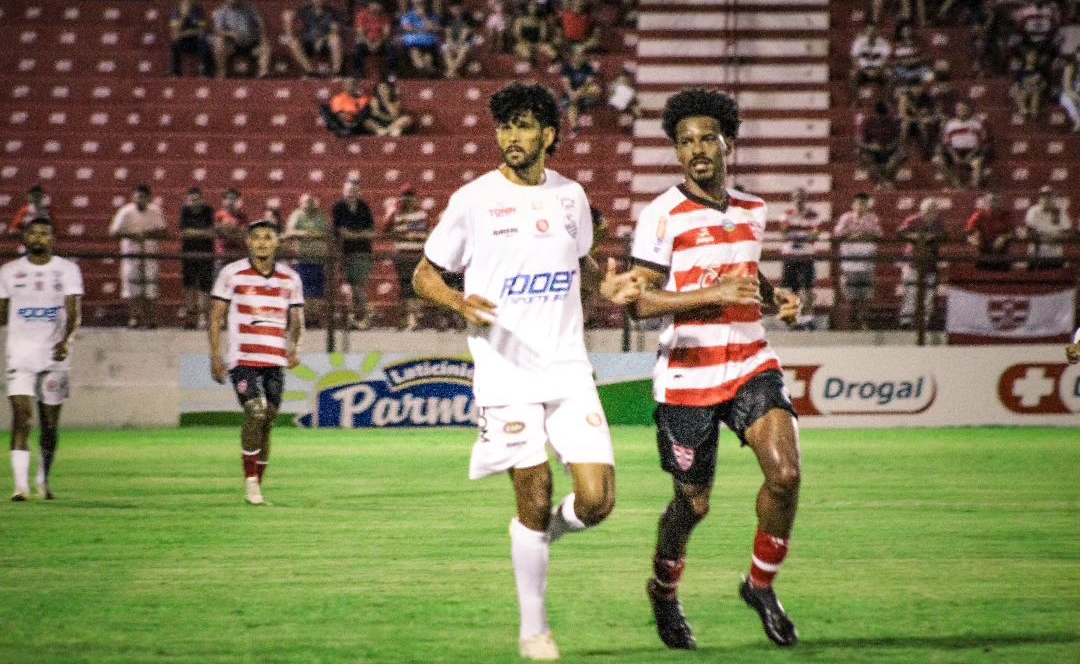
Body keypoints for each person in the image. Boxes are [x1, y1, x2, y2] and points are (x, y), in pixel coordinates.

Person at [412, 82, 616, 661]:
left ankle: (536, 537)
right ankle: (535, 629)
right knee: (535, 489)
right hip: (505, 375)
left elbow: (583, 260)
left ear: (549, 135)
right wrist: (456, 302)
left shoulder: (572, 196)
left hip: (569, 368)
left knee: (596, 502)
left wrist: (608, 282)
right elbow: (423, 275)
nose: (511, 138)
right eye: (505, 127)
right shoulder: (473, 200)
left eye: (524, 126)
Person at [600, 87, 802, 650]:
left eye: (706, 137)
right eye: (685, 141)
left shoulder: (754, 210)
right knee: (693, 504)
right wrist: (709, 293)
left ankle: (760, 585)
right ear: (677, 152)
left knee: (785, 476)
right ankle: (664, 591)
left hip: (750, 361)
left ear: (727, 142)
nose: (696, 149)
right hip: (688, 374)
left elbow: (746, 272)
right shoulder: (662, 216)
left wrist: (775, 296)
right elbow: (641, 302)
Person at [210, 218, 303, 505]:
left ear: (278, 242)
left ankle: (257, 486)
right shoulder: (232, 274)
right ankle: (251, 484)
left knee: (268, 421)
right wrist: (215, 357)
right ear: (248, 242)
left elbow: (297, 318)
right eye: (257, 237)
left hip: (274, 359)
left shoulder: (290, 278)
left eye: (268, 237)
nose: (262, 242)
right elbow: (216, 318)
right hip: (244, 359)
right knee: (256, 411)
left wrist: (295, 346)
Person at [0, 218, 82, 501]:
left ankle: (43, 477)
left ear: (53, 239)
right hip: (20, 355)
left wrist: (66, 340)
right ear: (25, 237)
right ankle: (20, 486)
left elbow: (74, 313)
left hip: (54, 356)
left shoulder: (67, 270)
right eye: (33, 233)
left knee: (49, 425)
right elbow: (1, 314)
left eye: (44, 234)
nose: (39, 238)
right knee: (22, 417)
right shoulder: (9, 272)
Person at [109, 184, 167, 329]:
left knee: (151, 287)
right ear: (133, 197)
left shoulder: (155, 211)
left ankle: (151, 319)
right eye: (137, 197)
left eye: (143, 197)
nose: (140, 200)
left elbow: (164, 232)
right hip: (130, 254)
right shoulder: (125, 212)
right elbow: (114, 232)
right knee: (132, 287)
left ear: (149, 198)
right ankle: (134, 318)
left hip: (150, 253)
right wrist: (132, 235)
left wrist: (146, 235)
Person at [833, 192, 883, 331]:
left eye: (864, 204)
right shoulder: (846, 218)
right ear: (853, 205)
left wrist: (860, 235)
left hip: (867, 261)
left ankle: (863, 321)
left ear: (868, 205)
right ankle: (851, 322)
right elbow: (838, 233)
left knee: (865, 293)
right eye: (859, 203)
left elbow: (878, 234)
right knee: (850, 293)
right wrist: (857, 235)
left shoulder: (872, 218)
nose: (861, 207)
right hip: (849, 261)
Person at [382, 184, 429, 330]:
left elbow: (422, 233)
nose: (407, 200)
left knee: (414, 288)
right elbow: (385, 229)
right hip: (402, 255)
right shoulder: (396, 213)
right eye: (405, 197)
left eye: (410, 197)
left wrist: (408, 234)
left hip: (417, 255)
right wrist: (392, 211)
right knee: (405, 287)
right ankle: (407, 319)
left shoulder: (421, 214)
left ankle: (413, 319)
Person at [331, 178, 376, 329]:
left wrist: (353, 234)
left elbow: (370, 232)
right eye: (349, 190)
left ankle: (361, 318)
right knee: (349, 286)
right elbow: (341, 232)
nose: (352, 193)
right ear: (344, 191)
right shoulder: (339, 208)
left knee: (358, 286)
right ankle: (355, 317)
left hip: (363, 252)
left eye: (355, 190)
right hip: (345, 253)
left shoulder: (364, 207)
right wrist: (359, 234)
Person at [898, 197, 947, 329]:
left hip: (930, 262)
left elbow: (944, 235)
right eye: (927, 211)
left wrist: (932, 237)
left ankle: (925, 323)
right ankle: (906, 323)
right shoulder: (913, 220)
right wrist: (916, 237)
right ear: (922, 211)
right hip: (912, 261)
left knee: (929, 294)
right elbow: (901, 233)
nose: (930, 214)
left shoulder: (939, 223)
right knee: (910, 292)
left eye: (933, 211)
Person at [284, 194, 331, 328]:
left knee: (317, 291)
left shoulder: (321, 215)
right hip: (302, 260)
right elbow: (290, 232)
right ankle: (306, 319)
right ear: (300, 203)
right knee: (304, 290)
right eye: (305, 202)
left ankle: (315, 319)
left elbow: (328, 232)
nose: (308, 204)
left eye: (311, 202)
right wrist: (304, 234)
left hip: (318, 259)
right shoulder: (297, 215)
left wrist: (314, 235)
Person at [779, 187, 822, 330]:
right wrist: (804, 235)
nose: (799, 200)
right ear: (793, 199)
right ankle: (793, 318)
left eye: (802, 197)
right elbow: (784, 233)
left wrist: (795, 235)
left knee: (808, 288)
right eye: (797, 197)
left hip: (806, 255)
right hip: (790, 256)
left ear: (806, 199)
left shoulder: (813, 215)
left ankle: (809, 319)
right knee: (791, 289)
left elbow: (815, 235)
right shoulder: (786, 214)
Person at [179, 187, 217, 329]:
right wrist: (202, 233)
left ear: (202, 199)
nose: (195, 202)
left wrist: (193, 233)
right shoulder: (185, 212)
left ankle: (203, 318)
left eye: (197, 199)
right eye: (192, 200)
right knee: (189, 286)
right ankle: (190, 318)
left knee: (204, 287)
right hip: (189, 254)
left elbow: (212, 232)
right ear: (187, 200)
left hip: (206, 254)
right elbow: (184, 232)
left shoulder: (208, 211)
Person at [932, 101, 989, 190]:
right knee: (937, 160)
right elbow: (947, 144)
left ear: (969, 110)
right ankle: (956, 184)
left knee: (977, 163)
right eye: (959, 109)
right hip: (955, 151)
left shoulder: (977, 124)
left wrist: (970, 155)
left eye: (964, 109)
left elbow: (981, 144)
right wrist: (954, 156)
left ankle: (974, 188)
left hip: (972, 151)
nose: (962, 111)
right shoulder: (950, 124)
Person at [282, 0, 343, 78]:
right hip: (308, 42)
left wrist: (322, 39)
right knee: (293, 43)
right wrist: (289, 34)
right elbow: (288, 14)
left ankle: (336, 73)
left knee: (335, 39)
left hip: (325, 43)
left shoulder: (332, 11)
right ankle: (311, 73)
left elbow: (334, 31)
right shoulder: (305, 9)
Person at [211, 0, 270, 79]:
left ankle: (263, 73)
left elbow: (260, 24)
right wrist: (231, 34)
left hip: (250, 44)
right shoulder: (221, 11)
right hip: (232, 46)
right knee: (219, 42)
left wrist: (262, 36)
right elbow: (218, 30)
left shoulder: (249, 8)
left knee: (265, 44)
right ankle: (221, 72)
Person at [1024, 185, 1072, 270]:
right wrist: (1049, 237)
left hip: (1055, 255)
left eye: (1049, 196)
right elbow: (1030, 232)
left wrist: (1056, 237)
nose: (1046, 199)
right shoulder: (1033, 211)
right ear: (1039, 198)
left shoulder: (1060, 212)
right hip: (1036, 256)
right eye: (1043, 196)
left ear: (1053, 198)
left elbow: (1067, 233)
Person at [965, 192, 1015, 271]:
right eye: (989, 201)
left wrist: (1004, 237)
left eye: (995, 200)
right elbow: (967, 233)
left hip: (1001, 252)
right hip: (984, 251)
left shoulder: (1005, 215)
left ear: (999, 202)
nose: (992, 203)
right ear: (985, 202)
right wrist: (972, 239)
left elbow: (1013, 233)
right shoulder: (978, 215)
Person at [560, 46, 603, 135]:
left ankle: (577, 99)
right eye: (579, 55)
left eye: (582, 55)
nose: (581, 57)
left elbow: (588, 82)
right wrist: (573, 93)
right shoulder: (566, 68)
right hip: (571, 95)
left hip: (583, 93)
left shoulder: (588, 67)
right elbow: (566, 85)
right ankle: (575, 128)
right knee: (572, 104)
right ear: (573, 57)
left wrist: (579, 92)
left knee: (596, 89)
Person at [170, 0, 214, 77]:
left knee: (203, 41)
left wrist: (185, 33)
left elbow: (202, 29)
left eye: (189, 3)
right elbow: (175, 31)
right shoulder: (176, 14)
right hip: (184, 42)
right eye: (185, 3)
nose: (187, 4)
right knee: (175, 42)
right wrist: (183, 16)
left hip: (196, 41)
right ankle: (175, 73)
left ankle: (206, 72)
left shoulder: (198, 13)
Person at [400, 0, 442, 76]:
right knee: (418, 59)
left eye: (422, 3)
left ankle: (427, 77)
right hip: (413, 43)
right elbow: (408, 28)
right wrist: (425, 30)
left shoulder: (432, 16)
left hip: (429, 44)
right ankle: (423, 75)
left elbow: (435, 28)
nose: (420, 4)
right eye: (417, 3)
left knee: (428, 62)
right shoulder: (408, 15)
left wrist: (423, 17)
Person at [353, 0, 392, 78]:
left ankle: (392, 72)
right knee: (359, 47)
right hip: (366, 41)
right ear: (369, 5)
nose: (376, 7)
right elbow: (360, 32)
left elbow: (387, 32)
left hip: (380, 41)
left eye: (378, 5)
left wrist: (378, 42)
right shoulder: (362, 15)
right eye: (374, 4)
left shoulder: (385, 17)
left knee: (391, 47)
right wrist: (369, 43)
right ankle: (358, 72)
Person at [441, 2, 476, 79]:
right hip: (452, 41)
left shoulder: (467, 18)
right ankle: (453, 73)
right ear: (450, 9)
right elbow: (448, 35)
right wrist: (451, 44)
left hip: (464, 41)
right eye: (454, 9)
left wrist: (458, 45)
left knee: (463, 50)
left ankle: (450, 71)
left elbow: (464, 34)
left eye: (458, 8)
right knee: (445, 49)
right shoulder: (447, 18)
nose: (456, 10)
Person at [214, 188, 248, 266]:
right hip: (222, 257)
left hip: (238, 257)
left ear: (238, 200)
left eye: (233, 198)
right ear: (223, 201)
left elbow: (243, 235)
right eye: (228, 198)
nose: (231, 201)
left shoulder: (242, 217)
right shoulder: (218, 216)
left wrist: (228, 230)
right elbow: (219, 233)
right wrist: (233, 232)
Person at [1060, 49, 1080, 133]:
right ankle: (1078, 122)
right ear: (1076, 54)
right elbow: (1067, 88)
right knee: (1067, 99)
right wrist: (1078, 98)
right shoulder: (1070, 67)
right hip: (1070, 94)